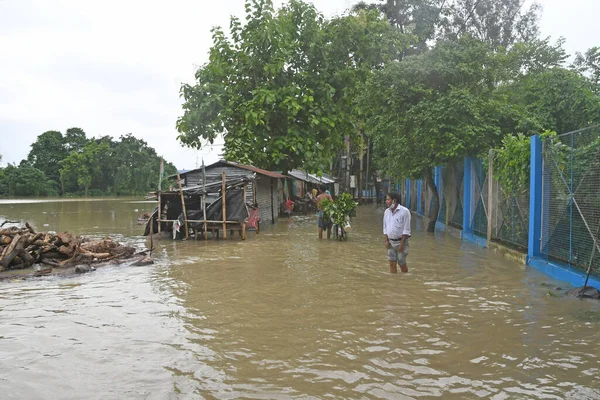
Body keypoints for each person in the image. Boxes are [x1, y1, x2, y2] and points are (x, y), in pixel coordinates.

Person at [383, 192, 411, 273]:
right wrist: (386, 240)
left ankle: (405, 279)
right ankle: (393, 281)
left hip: (401, 242)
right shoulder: (386, 212)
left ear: (394, 201)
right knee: (392, 263)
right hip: (390, 242)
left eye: (388, 199)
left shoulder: (405, 211)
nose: (386, 201)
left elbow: (406, 230)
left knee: (401, 263)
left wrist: (401, 245)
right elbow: (385, 227)